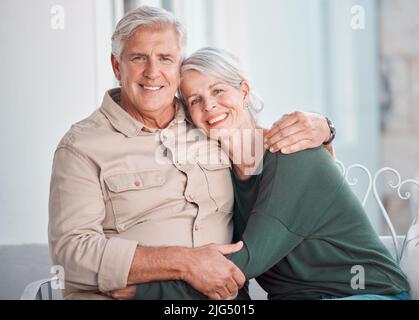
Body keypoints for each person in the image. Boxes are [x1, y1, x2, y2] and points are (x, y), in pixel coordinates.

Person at [48, 6, 335, 300]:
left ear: (178, 66)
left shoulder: (207, 118)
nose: (152, 72)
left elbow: (273, 148)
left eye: (165, 59)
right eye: (138, 58)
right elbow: (71, 253)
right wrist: (185, 262)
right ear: (116, 65)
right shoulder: (81, 146)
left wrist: (324, 126)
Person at [120, 47, 409, 300]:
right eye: (195, 100)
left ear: (244, 92)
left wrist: (139, 290)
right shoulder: (220, 175)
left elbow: (245, 262)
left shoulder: (292, 155)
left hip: (366, 293)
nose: (209, 105)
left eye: (218, 90)